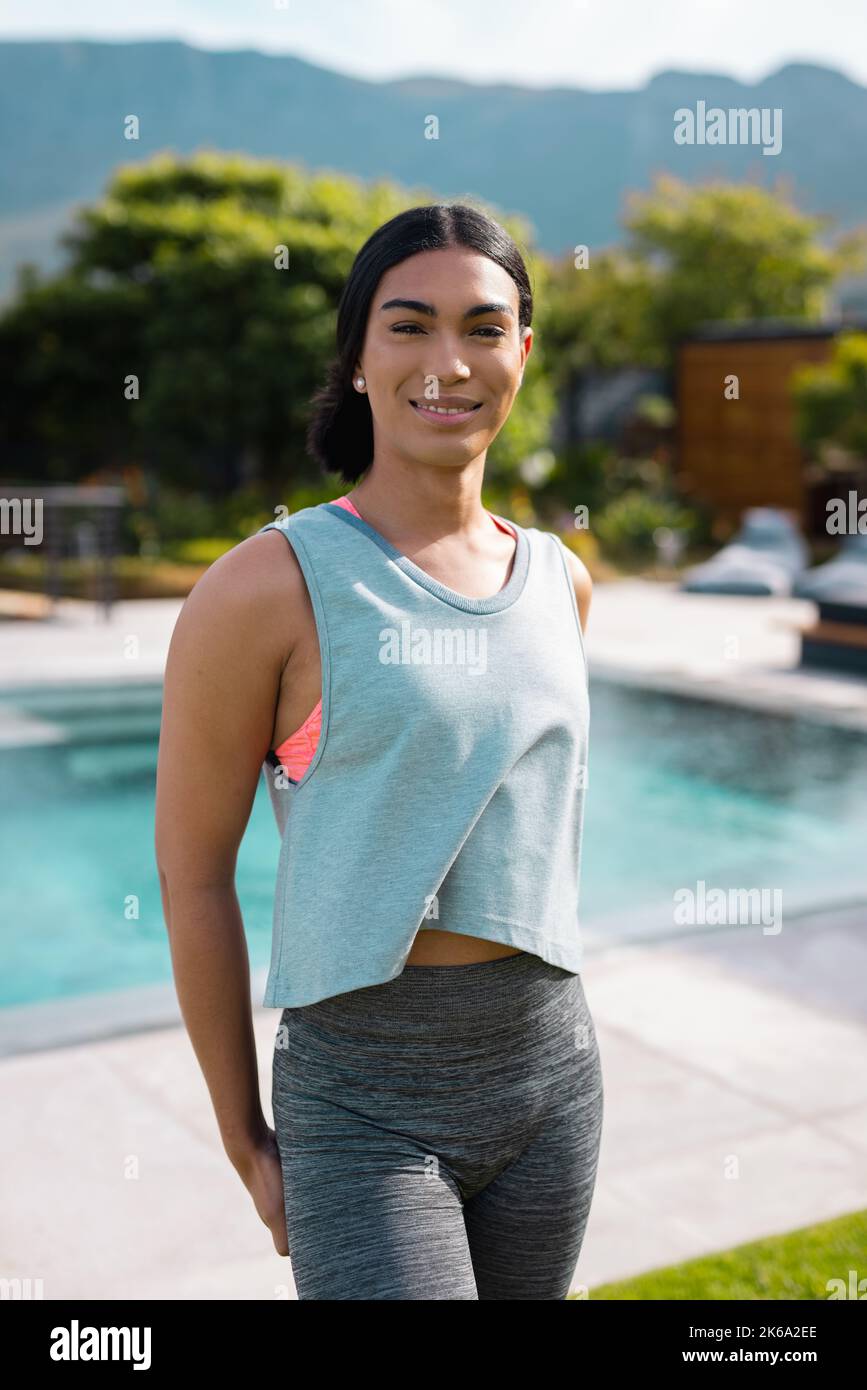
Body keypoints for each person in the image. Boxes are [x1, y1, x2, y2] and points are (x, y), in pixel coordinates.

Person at [155, 202, 603, 1300]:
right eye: (408, 326)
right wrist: (243, 1131)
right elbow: (192, 872)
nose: (448, 362)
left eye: (483, 328)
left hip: (551, 1076)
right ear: (358, 356)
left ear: (523, 354)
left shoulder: (561, 581)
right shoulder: (269, 584)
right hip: (364, 1100)